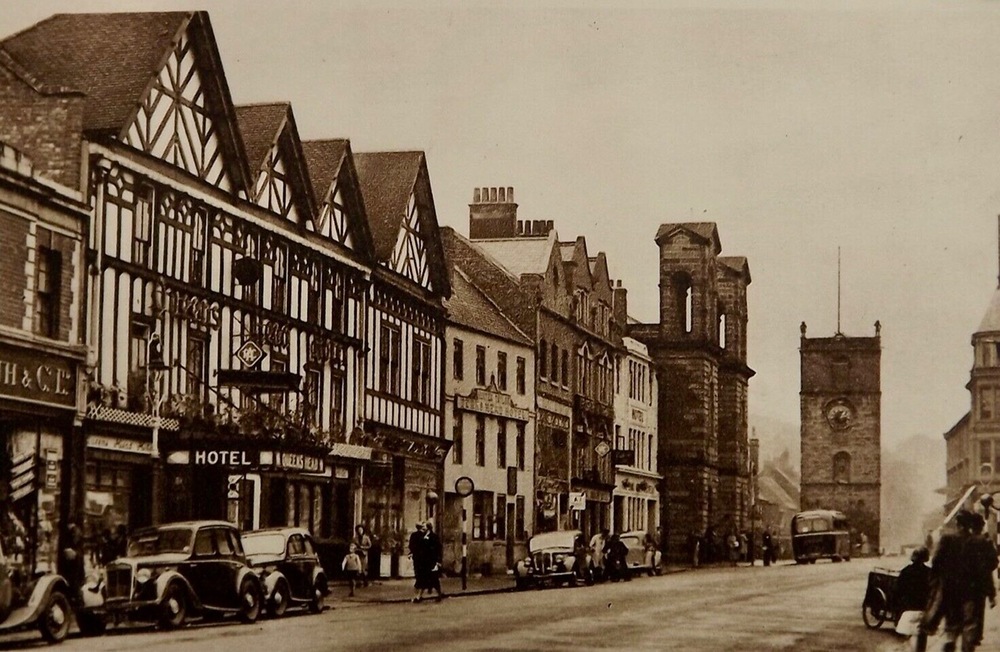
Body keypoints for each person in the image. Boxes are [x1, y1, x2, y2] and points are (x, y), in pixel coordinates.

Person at [921, 510, 979, 652]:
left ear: (957, 523)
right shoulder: (976, 541)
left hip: (950, 589)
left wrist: (934, 582)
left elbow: (936, 561)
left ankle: (950, 644)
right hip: (970, 592)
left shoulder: (947, 539)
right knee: (968, 625)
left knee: (951, 625)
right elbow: (980, 568)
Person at [967, 513, 998, 648]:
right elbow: (994, 562)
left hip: (967, 580)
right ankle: (977, 635)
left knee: (968, 606)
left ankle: (968, 633)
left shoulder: (965, 541)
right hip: (982, 580)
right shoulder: (986, 542)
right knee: (979, 607)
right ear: (982, 526)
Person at [895, 547, 932, 651]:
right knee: (921, 641)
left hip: (907, 612)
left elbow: (898, 591)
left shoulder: (905, 571)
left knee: (907, 643)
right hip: (923, 612)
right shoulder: (929, 573)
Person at [422, 520, 444, 601]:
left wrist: (438, 561)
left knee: (434, 578)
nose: (423, 528)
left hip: (432, 561)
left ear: (428, 528)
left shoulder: (434, 537)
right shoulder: (424, 536)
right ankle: (428, 590)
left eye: (424, 527)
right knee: (427, 577)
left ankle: (439, 594)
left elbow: (438, 549)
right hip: (426, 561)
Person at [408, 522, 428, 602]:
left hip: (416, 558)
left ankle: (417, 595)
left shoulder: (413, 535)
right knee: (423, 576)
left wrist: (413, 552)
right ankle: (419, 595)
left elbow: (411, 546)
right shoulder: (425, 536)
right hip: (424, 559)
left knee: (418, 575)